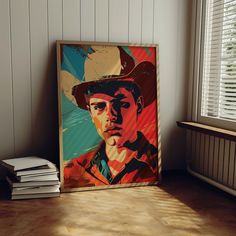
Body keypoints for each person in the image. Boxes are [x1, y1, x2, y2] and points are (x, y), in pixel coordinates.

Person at [64, 46, 158, 188]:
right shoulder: (73, 171)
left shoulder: (156, 167)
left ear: (138, 105)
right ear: (91, 113)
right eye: (99, 107)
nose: (111, 116)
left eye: (121, 104)